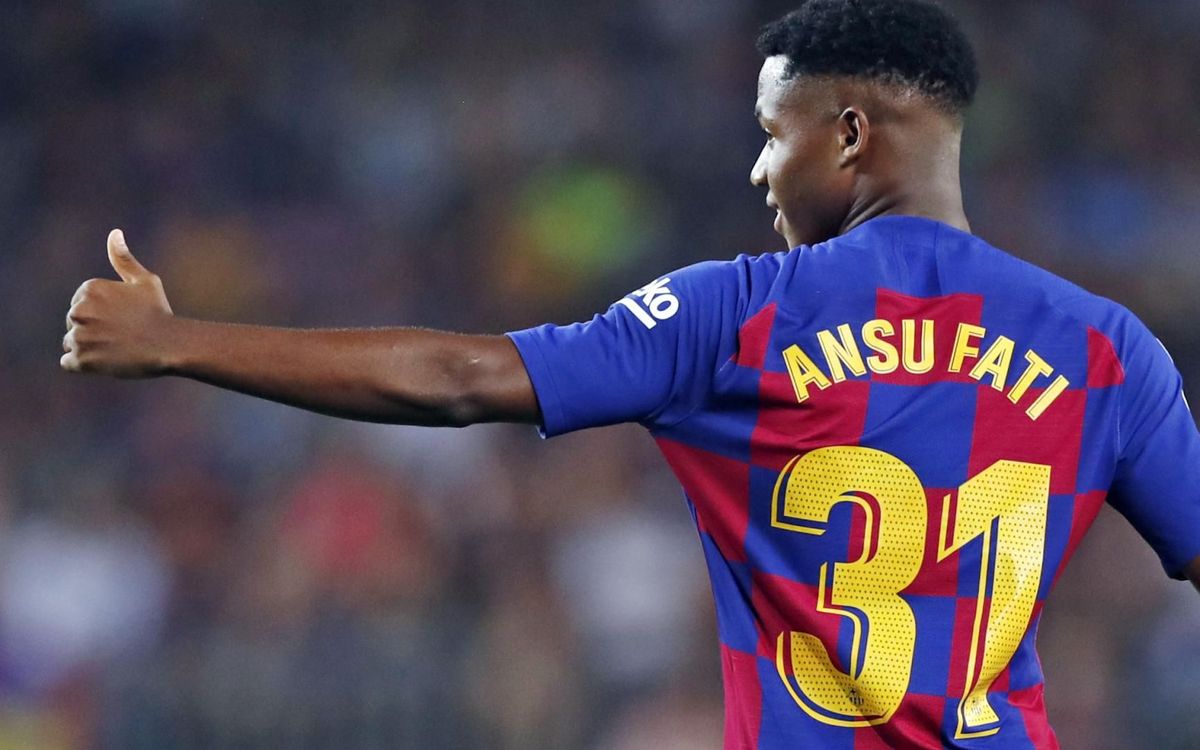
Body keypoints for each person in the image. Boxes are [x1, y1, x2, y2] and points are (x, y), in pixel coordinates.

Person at [61, 0, 1200, 747]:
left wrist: (176, 342)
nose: (759, 170)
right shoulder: (1108, 348)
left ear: (851, 135)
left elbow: (460, 378)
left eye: (775, 133)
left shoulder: (739, 312)